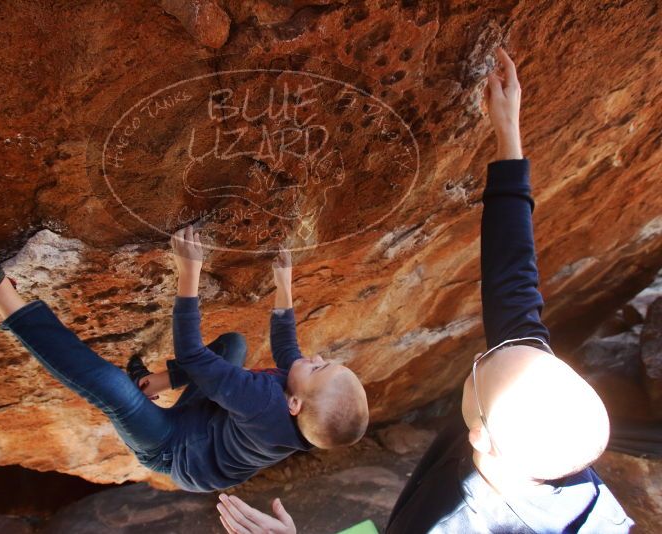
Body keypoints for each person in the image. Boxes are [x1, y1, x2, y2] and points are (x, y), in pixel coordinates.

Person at [215, 47, 634, 533]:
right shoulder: (534, 429)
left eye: (481, 366)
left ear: (480, 434)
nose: (496, 347)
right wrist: (508, 135)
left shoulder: (450, 525)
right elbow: (512, 277)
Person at [0, 219, 369, 493]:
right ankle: (154, 384)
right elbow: (290, 352)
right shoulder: (300, 409)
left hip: (173, 452)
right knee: (233, 344)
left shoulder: (264, 405)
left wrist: (189, 271)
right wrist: (285, 281)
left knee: (114, 390)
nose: (313, 357)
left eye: (320, 367)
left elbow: (193, 356)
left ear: (293, 404)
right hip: (210, 429)